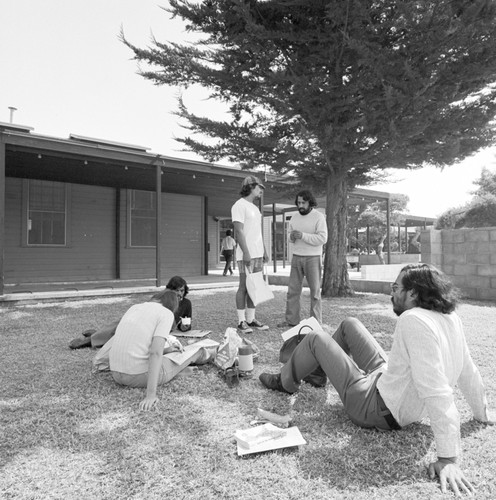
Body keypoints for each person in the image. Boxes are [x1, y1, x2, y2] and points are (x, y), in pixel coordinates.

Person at [260, 263, 493, 496]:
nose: (391, 292)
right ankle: (320, 373)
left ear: (413, 293)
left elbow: (436, 391)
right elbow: (468, 370)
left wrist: (448, 457)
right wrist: (482, 414)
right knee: (349, 324)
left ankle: (285, 382)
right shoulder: (450, 317)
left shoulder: (412, 320)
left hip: (373, 407)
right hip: (386, 382)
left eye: (395, 287)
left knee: (314, 338)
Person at [108, 289, 201, 410]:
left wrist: (167, 350)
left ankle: (175, 372)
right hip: (138, 376)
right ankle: (209, 354)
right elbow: (155, 352)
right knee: (194, 351)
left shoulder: (134, 307)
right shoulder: (166, 313)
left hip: (115, 373)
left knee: (169, 355)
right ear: (173, 306)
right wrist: (150, 395)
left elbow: (139, 345)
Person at [69, 276, 192, 349]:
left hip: (158, 329)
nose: (179, 294)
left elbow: (186, 322)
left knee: (124, 331)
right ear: (169, 290)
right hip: (145, 322)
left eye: (182, 290)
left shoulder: (186, 303)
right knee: (121, 322)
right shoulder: (160, 297)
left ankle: (94, 337)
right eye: (176, 291)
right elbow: (146, 312)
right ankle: (93, 337)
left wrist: (184, 327)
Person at [279, 190, 327, 327]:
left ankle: (315, 323)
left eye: (303, 203)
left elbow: (323, 238)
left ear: (310, 202)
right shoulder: (294, 217)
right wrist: (291, 237)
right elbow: (289, 237)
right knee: (292, 291)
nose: (300, 205)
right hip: (296, 257)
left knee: (315, 292)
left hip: (313, 258)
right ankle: (291, 321)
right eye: (298, 202)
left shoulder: (319, 217)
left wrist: (302, 236)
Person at [231, 175, 269, 334]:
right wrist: (246, 252)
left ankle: (251, 319)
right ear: (251, 187)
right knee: (244, 287)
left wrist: (264, 250)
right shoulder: (239, 206)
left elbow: (257, 232)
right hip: (246, 253)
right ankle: (241, 321)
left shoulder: (255, 208)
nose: (261, 190)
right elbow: (238, 231)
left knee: (255, 287)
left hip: (257, 253)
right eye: (259, 187)